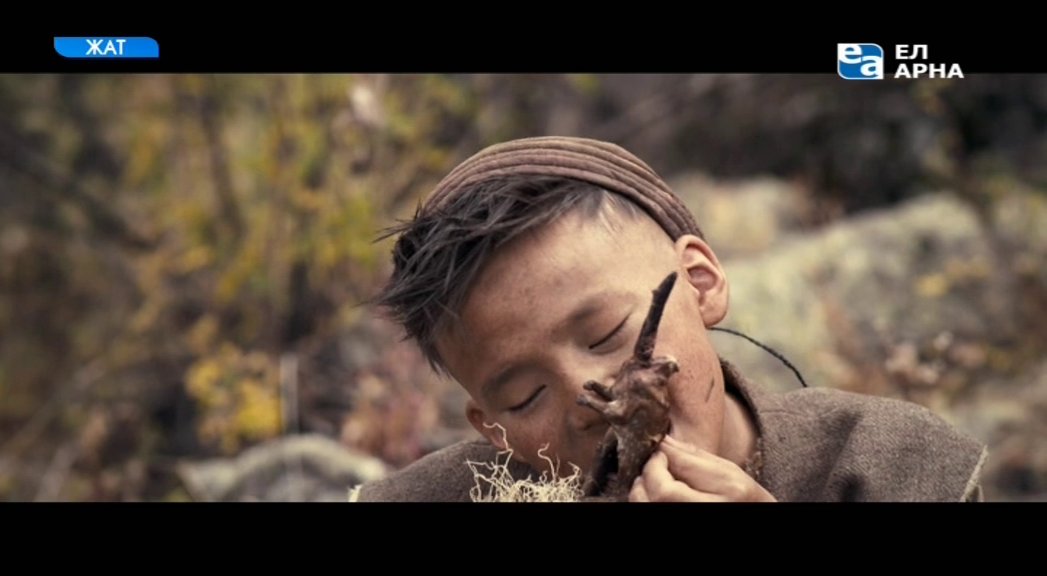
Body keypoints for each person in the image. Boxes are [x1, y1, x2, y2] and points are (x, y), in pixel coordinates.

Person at [354, 136, 987, 502]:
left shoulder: (892, 466)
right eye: (524, 397)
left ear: (701, 283)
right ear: (494, 430)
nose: (588, 402)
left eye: (607, 335)